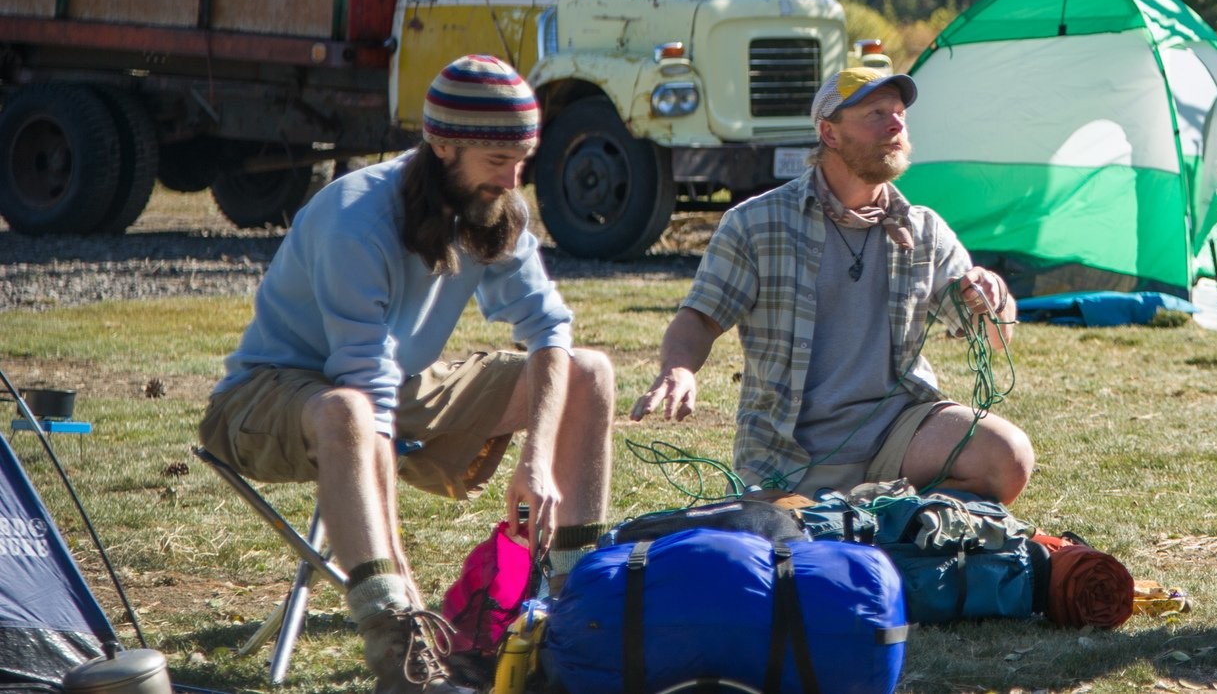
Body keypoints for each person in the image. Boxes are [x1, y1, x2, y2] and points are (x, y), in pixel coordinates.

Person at [199, 56, 614, 694]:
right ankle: (399, 647)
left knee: (588, 372)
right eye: (498, 161)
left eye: (523, 160)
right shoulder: (355, 220)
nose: (513, 178)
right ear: (442, 145)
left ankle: (576, 612)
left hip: (395, 388)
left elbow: (548, 330)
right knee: (350, 413)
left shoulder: (497, 206)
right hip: (269, 397)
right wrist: (406, 585)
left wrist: (536, 457)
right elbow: (368, 394)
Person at [633, 66, 1033, 503]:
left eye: (899, 113)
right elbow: (700, 318)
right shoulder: (756, 223)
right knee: (786, 547)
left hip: (898, 434)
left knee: (1007, 457)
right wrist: (678, 368)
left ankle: (884, 519)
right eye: (876, 113)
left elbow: (996, 337)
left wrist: (993, 295)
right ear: (829, 133)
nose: (896, 123)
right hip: (788, 454)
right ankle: (865, 518)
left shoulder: (924, 230)